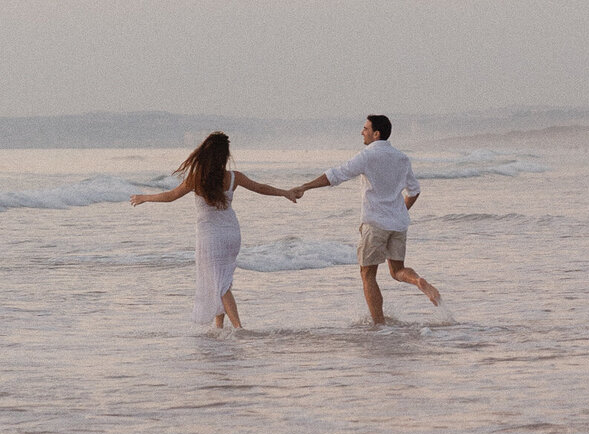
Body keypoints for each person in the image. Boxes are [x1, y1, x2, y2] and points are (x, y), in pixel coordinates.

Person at [131, 131, 300, 329]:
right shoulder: (233, 177)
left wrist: (145, 198)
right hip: (232, 234)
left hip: (211, 237)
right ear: (224, 156)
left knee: (220, 283)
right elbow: (260, 188)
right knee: (221, 280)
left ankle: (238, 328)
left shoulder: (197, 179)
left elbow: (171, 196)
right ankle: (218, 328)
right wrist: (285, 193)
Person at [293, 115, 440, 325]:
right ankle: (418, 281)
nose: (362, 132)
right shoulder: (401, 157)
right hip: (398, 225)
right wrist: (401, 211)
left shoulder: (368, 155)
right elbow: (414, 190)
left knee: (367, 274)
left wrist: (305, 186)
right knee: (397, 270)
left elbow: (336, 175)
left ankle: (378, 325)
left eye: (365, 129)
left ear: (376, 133)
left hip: (375, 224)